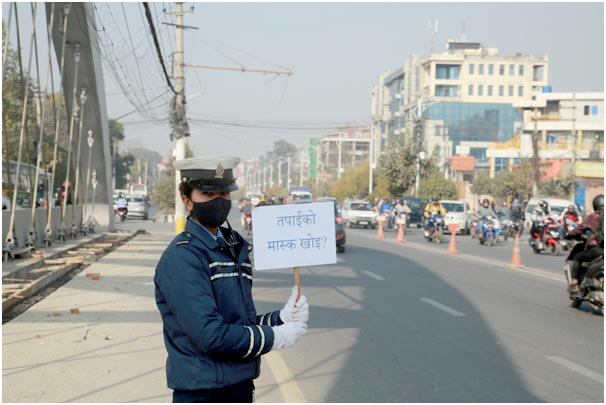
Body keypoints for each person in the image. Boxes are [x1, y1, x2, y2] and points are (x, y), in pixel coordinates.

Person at [155, 156, 309, 403]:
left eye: (224, 193)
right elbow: (211, 335)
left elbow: (238, 322)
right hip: (204, 391)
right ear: (187, 201)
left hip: (238, 385)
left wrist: (279, 319)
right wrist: (274, 337)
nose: (219, 201)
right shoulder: (183, 258)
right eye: (208, 194)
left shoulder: (232, 248)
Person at [565, 194, 604, 297]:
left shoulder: (594, 216)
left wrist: (569, 235)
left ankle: (574, 284)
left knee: (578, 257)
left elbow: (579, 229)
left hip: (597, 249)